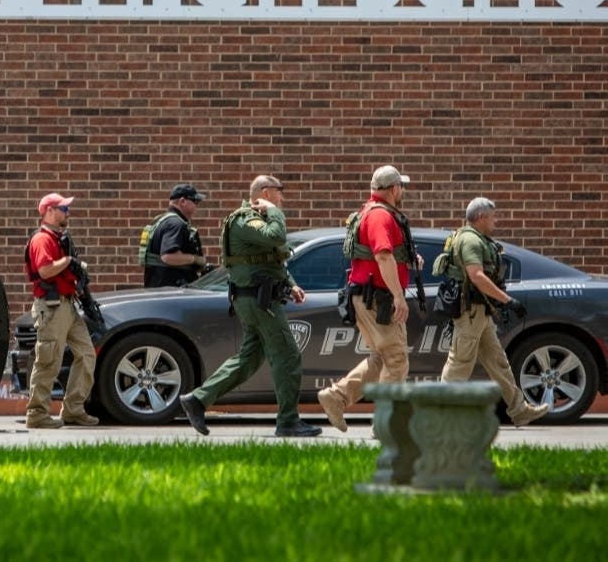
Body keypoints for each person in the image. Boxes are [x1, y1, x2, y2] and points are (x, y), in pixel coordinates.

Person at [179, 175, 321, 437]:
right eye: (280, 193)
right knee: (288, 356)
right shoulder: (245, 219)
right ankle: (288, 421)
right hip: (258, 300)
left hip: (257, 298)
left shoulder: (258, 219)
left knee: (249, 359)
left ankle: (197, 400)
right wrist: (276, 212)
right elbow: (276, 236)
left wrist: (290, 284)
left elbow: (272, 258)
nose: (282, 199)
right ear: (266, 193)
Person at [317, 165, 421, 433]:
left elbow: (387, 255)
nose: (403, 192)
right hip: (379, 299)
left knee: (381, 359)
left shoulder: (370, 212)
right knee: (396, 359)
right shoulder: (380, 217)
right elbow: (382, 255)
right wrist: (399, 297)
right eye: (402, 187)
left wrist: (407, 260)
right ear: (394, 189)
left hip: (367, 296)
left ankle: (336, 397)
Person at [439, 197, 549, 426]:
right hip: (470, 313)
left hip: (480, 312)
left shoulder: (475, 238)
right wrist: (508, 300)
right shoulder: (470, 240)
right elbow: (476, 276)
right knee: (459, 363)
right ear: (480, 217)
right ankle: (437, 413)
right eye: (492, 216)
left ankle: (519, 409)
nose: (495, 221)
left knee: (498, 362)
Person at [23, 192, 99, 429]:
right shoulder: (42, 240)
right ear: (48, 212)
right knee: (49, 361)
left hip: (67, 305)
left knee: (87, 354)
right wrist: (68, 262)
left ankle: (74, 409)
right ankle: (37, 414)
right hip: (52, 307)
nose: (67, 212)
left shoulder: (58, 239)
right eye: (62, 208)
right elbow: (45, 270)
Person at [142, 183, 209, 287]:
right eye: (195, 201)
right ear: (182, 201)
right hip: (172, 291)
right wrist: (195, 259)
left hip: (159, 288)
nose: (197, 205)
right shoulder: (176, 224)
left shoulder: (161, 221)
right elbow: (168, 256)